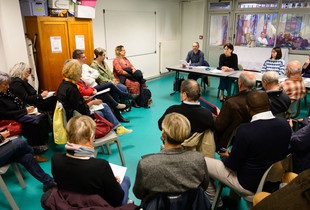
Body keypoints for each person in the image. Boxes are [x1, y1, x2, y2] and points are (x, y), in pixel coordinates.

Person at [206, 90, 291, 207]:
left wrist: (225, 157)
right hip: (272, 180)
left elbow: (233, 166)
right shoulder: (284, 124)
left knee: (202, 162)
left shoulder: (246, 130)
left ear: (248, 108)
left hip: (248, 184)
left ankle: (217, 203)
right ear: (269, 104)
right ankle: (232, 200)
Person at [52, 115, 131, 207]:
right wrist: (115, 183)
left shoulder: (55, 159)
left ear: (67, 135)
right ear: (91, 137)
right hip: (98, 205)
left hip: (70, 202)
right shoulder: (100, 166)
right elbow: (117, 199)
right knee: (126, 180)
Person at [133, 112, 209, 203]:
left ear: (163, 134)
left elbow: (139, 194)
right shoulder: (198, 159)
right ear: (186, 134)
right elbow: (204, 186)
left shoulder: (146, 164)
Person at [57, 60, 132, 135]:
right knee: (100, 112)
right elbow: (83, 110)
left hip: (72, 113)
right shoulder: (72, 88)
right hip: (76, 117)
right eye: (80, 73)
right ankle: (107, 132)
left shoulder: (64, 85)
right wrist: (93, 102)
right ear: (74, 73)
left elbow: (73, 101)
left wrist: (83, 98)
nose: (81, 76)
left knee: (104, 105)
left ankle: (114, 129)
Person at [0, 72, 50, 162]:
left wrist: (26, 109)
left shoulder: (6, 92)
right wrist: (25, 111)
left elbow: (18, 102)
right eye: (5, 84)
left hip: (17, 114)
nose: (8, 87)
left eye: (8, 84)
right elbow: (6, 114)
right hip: (8, 121)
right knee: (31, 124)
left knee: (40, 116)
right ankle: (35, 152)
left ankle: (39, 143)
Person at [73, 50, 130, 123]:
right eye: (83, 57)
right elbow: (89, 81)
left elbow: (97, 74)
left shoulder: (86, 66)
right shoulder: (79, 69)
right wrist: (92, 76)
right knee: (110, 85)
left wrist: (90, 75)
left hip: (95, 87)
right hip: (94, 88)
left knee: (113, 91)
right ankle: (123, 98)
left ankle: (118, 114)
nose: (86, 58)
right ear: (78, 59)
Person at [214, 71, 255, 150]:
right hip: (251, 137)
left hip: (229, 139)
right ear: (253, 85)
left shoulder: (231, 103)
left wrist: (215, 116)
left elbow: (219, 126)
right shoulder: (258, 100)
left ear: (240, 84)